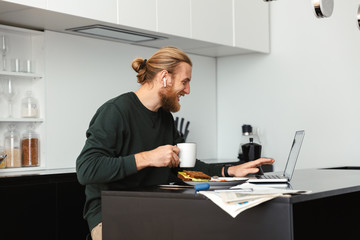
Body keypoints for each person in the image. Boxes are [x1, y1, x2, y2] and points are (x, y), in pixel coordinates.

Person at [76, 46, 274, 240]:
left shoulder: (165, 118)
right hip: (112, 215)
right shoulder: (116, 111)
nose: (187, 90)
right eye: (185, 81)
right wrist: (148, 158)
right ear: (165, 77)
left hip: (151, 212)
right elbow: (86, 169)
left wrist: (230, 171)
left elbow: (186, 166)